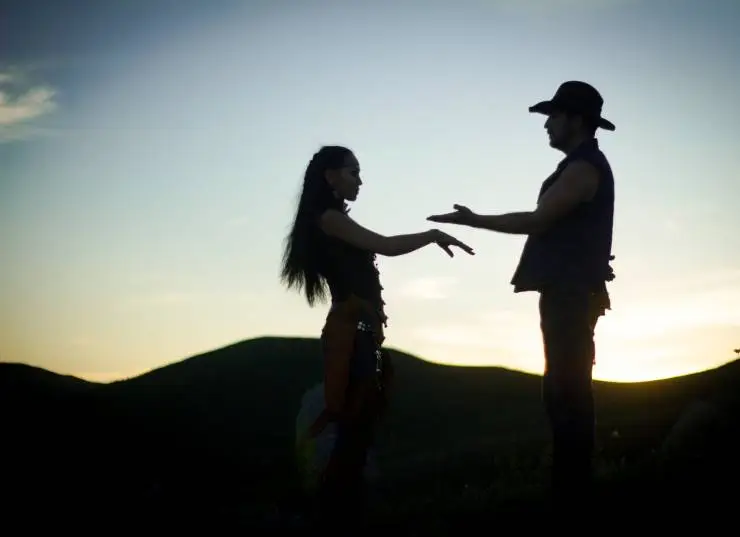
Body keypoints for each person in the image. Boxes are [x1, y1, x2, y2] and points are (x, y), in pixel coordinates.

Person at [427, 81, 617, 505]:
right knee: (562, 392)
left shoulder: (583, 168)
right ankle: (571, 491)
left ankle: (572, 496)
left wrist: (475, 220)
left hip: (571, 294)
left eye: (553, 116)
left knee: (567, 394)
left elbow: (537, 220)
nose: (546, 124)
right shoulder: (580, 166)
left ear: (576, 120)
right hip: (568, 291)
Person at [280, 145, 474, 528]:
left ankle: (340, 514)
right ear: (330, 176)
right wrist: (432, 234)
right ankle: (336, 516)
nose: (360, 181)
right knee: (352, 435)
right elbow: (386, 245)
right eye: (353, 172)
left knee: (357, 433)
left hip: (359, 335)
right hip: (352, 336)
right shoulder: (330, 219)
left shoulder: (331, 219)